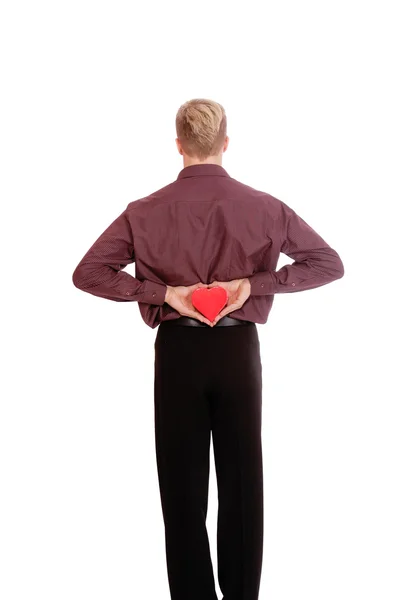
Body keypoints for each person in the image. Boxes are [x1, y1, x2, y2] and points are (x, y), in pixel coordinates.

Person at [72, 98, 345, 600]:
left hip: (177, 354)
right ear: (225, 143)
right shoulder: (266, 207)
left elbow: (87, 273)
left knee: (181, 489)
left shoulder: (144, 211)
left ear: (178, 146)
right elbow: (328, 263)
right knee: (244, 483)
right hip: (238, 352)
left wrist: (166, 294)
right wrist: (255, 284)